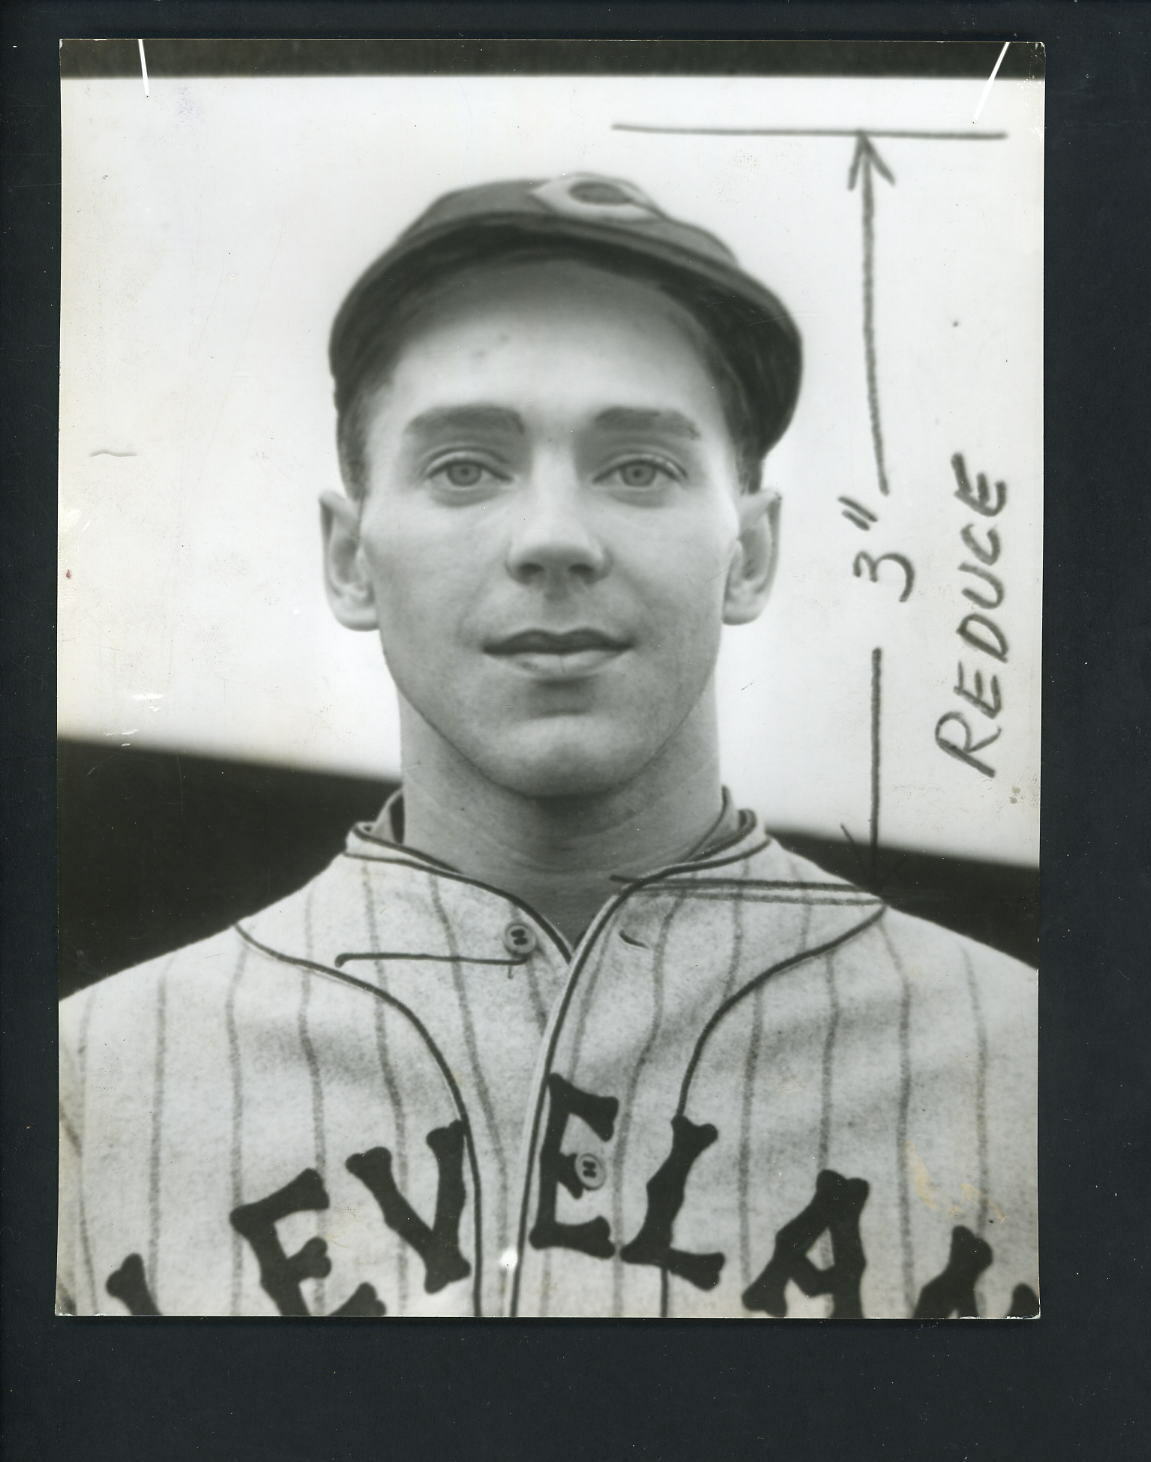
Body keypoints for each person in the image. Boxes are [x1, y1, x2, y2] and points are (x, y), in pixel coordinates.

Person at [58, 173, 1037, 1320]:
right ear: (347, 557)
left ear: (751, 553)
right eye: (464, 467)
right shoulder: (83, 1086)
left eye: (639, 468)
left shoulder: (1037, 1069)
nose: (554, 539)